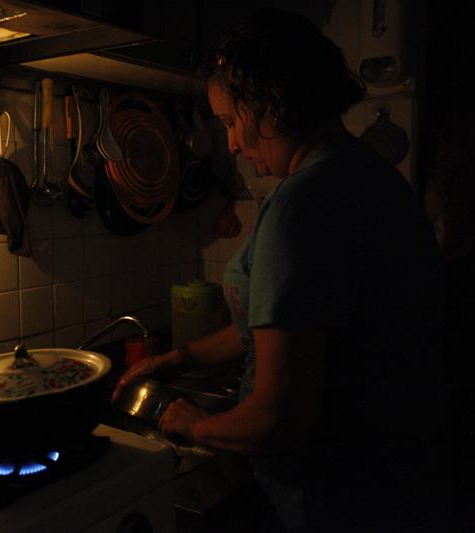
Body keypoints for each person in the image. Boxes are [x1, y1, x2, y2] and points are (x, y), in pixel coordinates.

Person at [113, 8, 450, 533]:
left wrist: (193, 424)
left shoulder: (302, 206)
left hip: (330, 500)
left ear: (268, 104)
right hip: (397, 480)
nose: (231, 144)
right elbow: (275, 325)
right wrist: (177, 358)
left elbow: (276, 422)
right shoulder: (373, 178)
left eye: (229, 122)